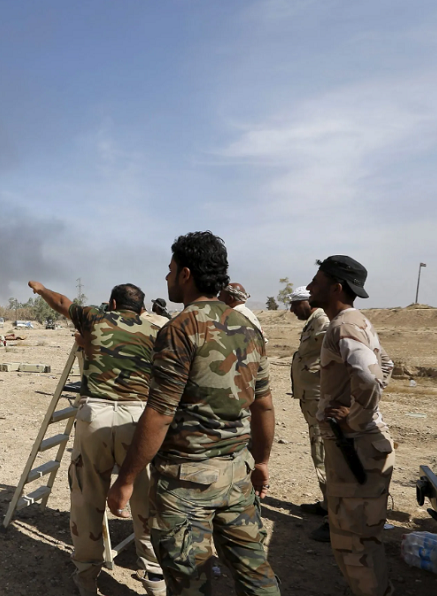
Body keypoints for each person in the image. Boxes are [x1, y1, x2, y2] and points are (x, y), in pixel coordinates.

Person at [107, 231, 280, 596]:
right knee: (256, 575)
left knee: (190, 584)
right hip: (237, 473)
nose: (167, 278)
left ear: (186, 274)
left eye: (170, 271)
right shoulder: (248, 327)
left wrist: (125, 480)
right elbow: (263, 404)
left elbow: (160, 413)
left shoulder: (180, 328)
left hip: (187, 482)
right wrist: (261, 461)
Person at [28, 280, 165, 596]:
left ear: (113, 304)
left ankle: (87, 578)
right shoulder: (153, 331)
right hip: (138, 418)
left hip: (95, 416)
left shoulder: (94, 317)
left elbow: (62, 302)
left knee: (88, 497)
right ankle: (155, 578)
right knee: (146, 500)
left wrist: (40, 289)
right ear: (141, 308)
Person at [306, 256, 395, 596]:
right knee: (362, 538)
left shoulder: (343, 325)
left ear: (336, 287)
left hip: (355, 446)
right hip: (358, 444)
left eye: (316, 280)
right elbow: (385, 364)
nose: (311, 286)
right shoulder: (355, 321)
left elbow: (371, 377)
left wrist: (355, 418)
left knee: (354, 544)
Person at [286, 287, 332, 541]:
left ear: (306, 302)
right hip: (311, 398)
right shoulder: (313, 322)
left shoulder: (323, 321)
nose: (292, 310)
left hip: (320, 398)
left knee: (324, 453)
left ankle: (334, 519)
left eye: (295, 305)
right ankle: (327, 504)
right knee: (319, 451)